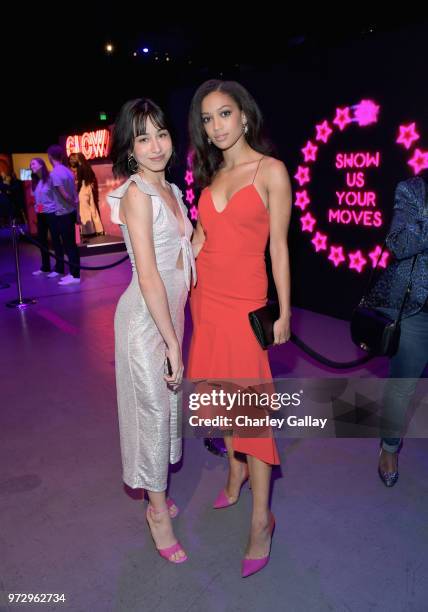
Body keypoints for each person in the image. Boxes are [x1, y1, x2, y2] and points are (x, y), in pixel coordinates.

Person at [187, 79, 292, 577]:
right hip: (205, 303)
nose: (216, 126)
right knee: (221, 398)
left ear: (244, 116)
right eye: (207, 119)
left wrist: (285, 311)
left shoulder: (270, 171)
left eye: (223, 114)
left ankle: (260, 521)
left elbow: (278, 248)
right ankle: (233, 474)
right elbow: (195, 245)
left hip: (244, 306)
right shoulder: (208, 184)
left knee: (251, 412)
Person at [107, 98, 196, 564]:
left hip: (169, 318)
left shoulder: (174, 193)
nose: (155, 145)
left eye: (161, 134)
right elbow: (148, 275)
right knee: (151, 412)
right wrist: (172, 342)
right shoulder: (137, 195)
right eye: (143, 137)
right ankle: (157, 512)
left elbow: (187, 249)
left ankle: (155, 492)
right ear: (130, 148)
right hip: (145, 322)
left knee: (164, 409)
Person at [364, 173, 428, 486]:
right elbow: (400, 243)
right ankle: (389, 447)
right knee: (403, 384)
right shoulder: (413, 189)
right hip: (417, 308)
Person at [47, 145, 81, 285]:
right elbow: (74, 193)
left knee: (69, 246)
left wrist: (72, 204)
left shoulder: (55, 173)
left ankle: (75, 276)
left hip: (63, 213)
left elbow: (64, 194)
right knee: (71, 245)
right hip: (70, 212)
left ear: (50, 157)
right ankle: (74, 274)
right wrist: (76, 210)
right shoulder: (68, 171)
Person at [29, 158, 65, 278]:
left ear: (41, 165)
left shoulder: (50, 178)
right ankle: (45, 267)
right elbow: (38, 200)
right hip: (42, 215)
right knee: (42, 241)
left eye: (33, 163)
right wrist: (39, 212)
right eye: (31, 164)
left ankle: (59, 268)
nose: (31, 165)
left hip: (52, 214)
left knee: (55, 241)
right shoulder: (35, 181)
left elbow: (57, 196)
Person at [68, 153, 104, 238]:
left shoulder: (80, 168)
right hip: (89, 189)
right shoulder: (87, 166)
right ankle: (99, 230)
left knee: (84, 211)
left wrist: (77, 189)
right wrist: (91, 183)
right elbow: (93, 176)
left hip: (82, 189)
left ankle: (88, 232)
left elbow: (79, 182)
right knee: (93, 209)